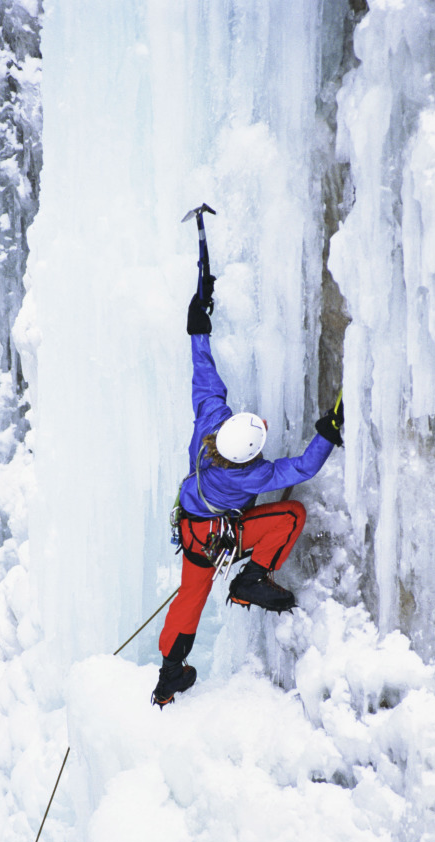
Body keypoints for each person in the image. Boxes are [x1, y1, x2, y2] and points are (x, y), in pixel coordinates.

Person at [151, 275, 343, 708]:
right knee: (291, 515)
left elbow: (204, 372)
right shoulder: (250, 476)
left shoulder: (210, 422)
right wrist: (328, 431)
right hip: (221, 537)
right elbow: (305, 465)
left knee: (189, 601)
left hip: (194, 537)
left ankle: (169, 677)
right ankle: (252, 578)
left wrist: (198, 326)